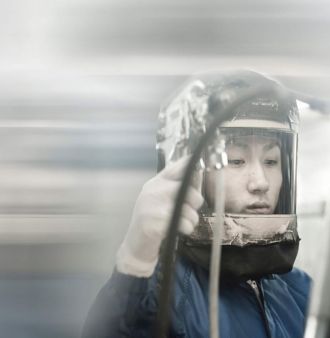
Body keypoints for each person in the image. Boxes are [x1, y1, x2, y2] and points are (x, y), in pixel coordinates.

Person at [82, 70, 311, 338]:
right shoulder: (160, 293)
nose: (260, 182)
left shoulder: (300, 289)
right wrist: (134, 262)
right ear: (188, 170)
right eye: (236, 160)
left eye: (271, 161)